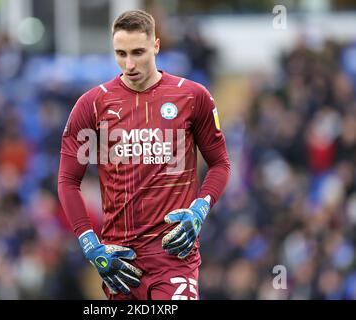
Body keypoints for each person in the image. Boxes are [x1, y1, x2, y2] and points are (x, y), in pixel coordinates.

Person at [58, 10, 230, 300]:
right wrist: (89, 243)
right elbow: (67, 180)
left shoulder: (192, 97)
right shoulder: (92, 105)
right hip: (120, 261)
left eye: (138, 52)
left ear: (156, 46)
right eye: (120, 53)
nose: (129, 64)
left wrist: (200, 209)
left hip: (174, 256)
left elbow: (220, 164)